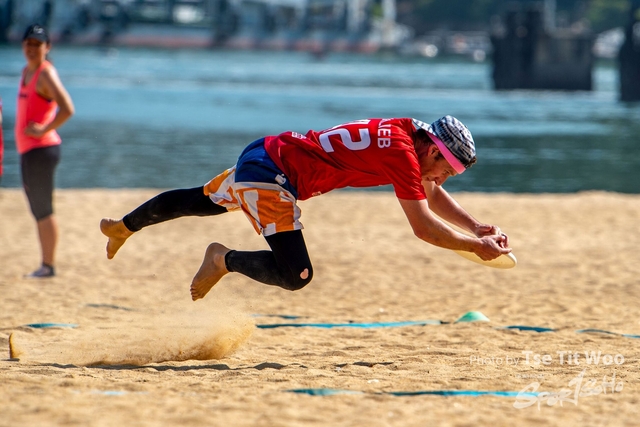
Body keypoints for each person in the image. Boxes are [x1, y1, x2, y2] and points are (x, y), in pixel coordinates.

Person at [101, 116, 512, 301]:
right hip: (274, 178)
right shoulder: (404, 155)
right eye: (447, 169)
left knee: (198, 201)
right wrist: (475, 248)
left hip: (266, 154)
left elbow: (429, 191)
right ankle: (221, 259)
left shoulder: (409, 132)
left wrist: (476, 228)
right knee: (296, 274)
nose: (443, 178)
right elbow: (423, 226)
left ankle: (124, 226)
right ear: (433, 149)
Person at [16, 24, 75, 278]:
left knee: (43, 209)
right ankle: (45, 265)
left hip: (42, 150)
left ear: (47, 47)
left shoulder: (45, 73)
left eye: (37, 44)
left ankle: (48, 266)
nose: (32, 48)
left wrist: (43, 129)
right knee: (37, 209)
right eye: (28, 43)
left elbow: (67, 108)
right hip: (29, 151)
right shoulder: (26, 71)